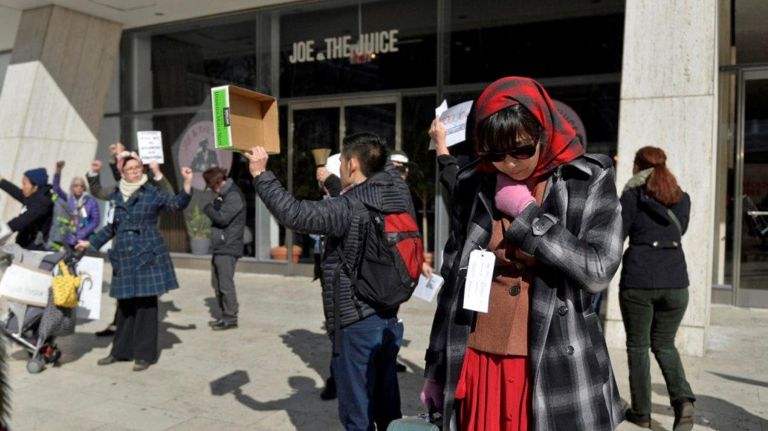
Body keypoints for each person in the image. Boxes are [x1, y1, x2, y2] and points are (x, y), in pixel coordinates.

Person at [420, 77, 624, 430]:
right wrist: (436, 369)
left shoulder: (587, 178)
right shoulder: (473, 183)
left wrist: (529, 217)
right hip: (479, 355)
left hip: (553, 357)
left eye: (521, 150)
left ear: (542, 134)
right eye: (495, 154)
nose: (509, 164)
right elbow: (453, 281)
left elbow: (598, 269)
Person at [245, 133, 413, 431]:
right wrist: (336, 185)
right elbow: (358, 200)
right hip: (388, 315)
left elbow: (295, 214)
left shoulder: (347, 208)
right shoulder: (398, 194)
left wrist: (261, 174)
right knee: (387, 404)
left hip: (355, 317)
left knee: (356, 410)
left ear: (350, 163)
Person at [75, 154, 193, 372]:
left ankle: (144, 355)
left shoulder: (152, 192)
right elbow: (112, 227)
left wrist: (186, 184)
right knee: (125, 307)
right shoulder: (118, 193)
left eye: (138, 167)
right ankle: (120, 352)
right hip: (124, 257)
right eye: (130, 169)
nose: (135, 171)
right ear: (122, 172)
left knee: (146, 306)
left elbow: (176, 204)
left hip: (147, 254)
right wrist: (89, 243)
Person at [619, 146, 695, 431]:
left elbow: (618, 233)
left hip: (639, 280)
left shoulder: (631, 195)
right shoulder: (682, 198)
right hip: (676, 282)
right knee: (664, 343)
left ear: (638, 166)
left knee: (638, 346)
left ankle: (641, 413)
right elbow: (681, 229)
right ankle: (683, 400)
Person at [87, 151, 174, 338]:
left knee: (143, 300)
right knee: (124, 295)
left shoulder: (148, 186)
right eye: (125, 167)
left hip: (145, 249)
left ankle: (139, 337)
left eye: (136, 167)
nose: (132, 171)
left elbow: (170, 197)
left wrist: (157, 173)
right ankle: (121, 331)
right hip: (123, 250)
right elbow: (98, 191)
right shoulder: (119, 188)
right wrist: (95, 174)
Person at [202, 166, 246, 331]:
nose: (212, 190)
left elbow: (222, 219)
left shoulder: (233, 196)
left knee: (226, 284)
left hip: (228, 246)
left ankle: (230, 318)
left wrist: (208, 209)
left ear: (218, 182)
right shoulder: (224, 195)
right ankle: (224, 316)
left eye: (212, 186)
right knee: (217, 283)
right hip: (221, 246)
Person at [0, 168, 54, 250]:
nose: (23, 187)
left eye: (25, 184)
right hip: (25, 245)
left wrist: (3, 230)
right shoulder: (34, 196)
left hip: (35, 250)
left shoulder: (43, 202)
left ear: (35, 186)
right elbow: (16, 192)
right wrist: (1, 181)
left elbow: (21, 221)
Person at [49, 161, 100, 248]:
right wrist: (58, 171)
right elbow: (56, 188)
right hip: (67, 238)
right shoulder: (68, 199)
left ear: (84, 188)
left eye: (81, 186)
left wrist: (84, 232)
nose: (79, 188)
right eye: (76, 185)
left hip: (84, 239)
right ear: (72, 187)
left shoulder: (90, 201)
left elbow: (95, 220)